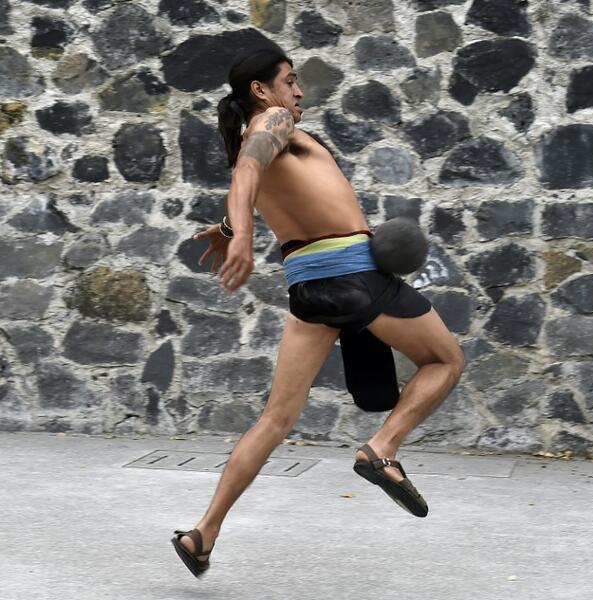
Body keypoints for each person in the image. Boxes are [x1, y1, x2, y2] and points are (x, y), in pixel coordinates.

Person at [171, 40, 465, 578]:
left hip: (309, 291)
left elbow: (253, 177)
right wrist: (241, 241)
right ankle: (382, 450)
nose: (298, 90)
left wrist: (233, 228)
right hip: (353, 276)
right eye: (289, 79)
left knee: (276, 418)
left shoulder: (260, 138)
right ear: (262, 91)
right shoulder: (274, 121)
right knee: (446, 361)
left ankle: (202, 533)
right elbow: (247, 173)